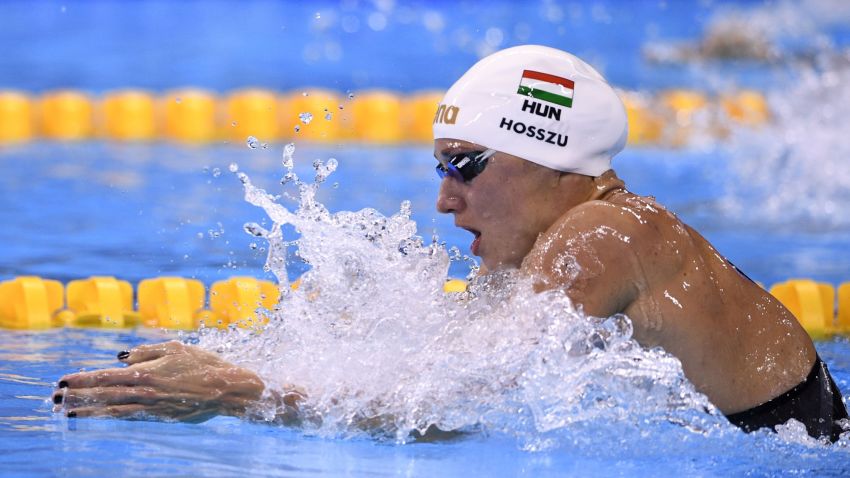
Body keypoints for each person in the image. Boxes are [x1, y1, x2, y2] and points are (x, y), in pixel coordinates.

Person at [53, 45, 848, 441]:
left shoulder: (605, 232)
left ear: (553, 159)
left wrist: (237, 393)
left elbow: (453, 404)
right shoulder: (557, 249)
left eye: (464, 166)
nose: (443, 200)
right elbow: (423, 370)